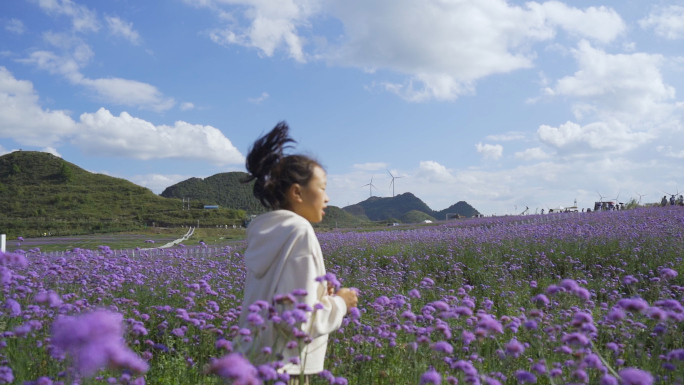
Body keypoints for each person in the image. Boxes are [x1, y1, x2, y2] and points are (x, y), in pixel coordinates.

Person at [237, 122, 358, 383]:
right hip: (285, 368)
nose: (327, 198)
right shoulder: (299, 232)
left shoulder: (265, 231)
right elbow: (296, 323)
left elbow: (279, 302)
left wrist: (318, 296)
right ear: (297, 192)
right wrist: (341, 303)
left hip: (252, 362)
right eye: (323, 187)